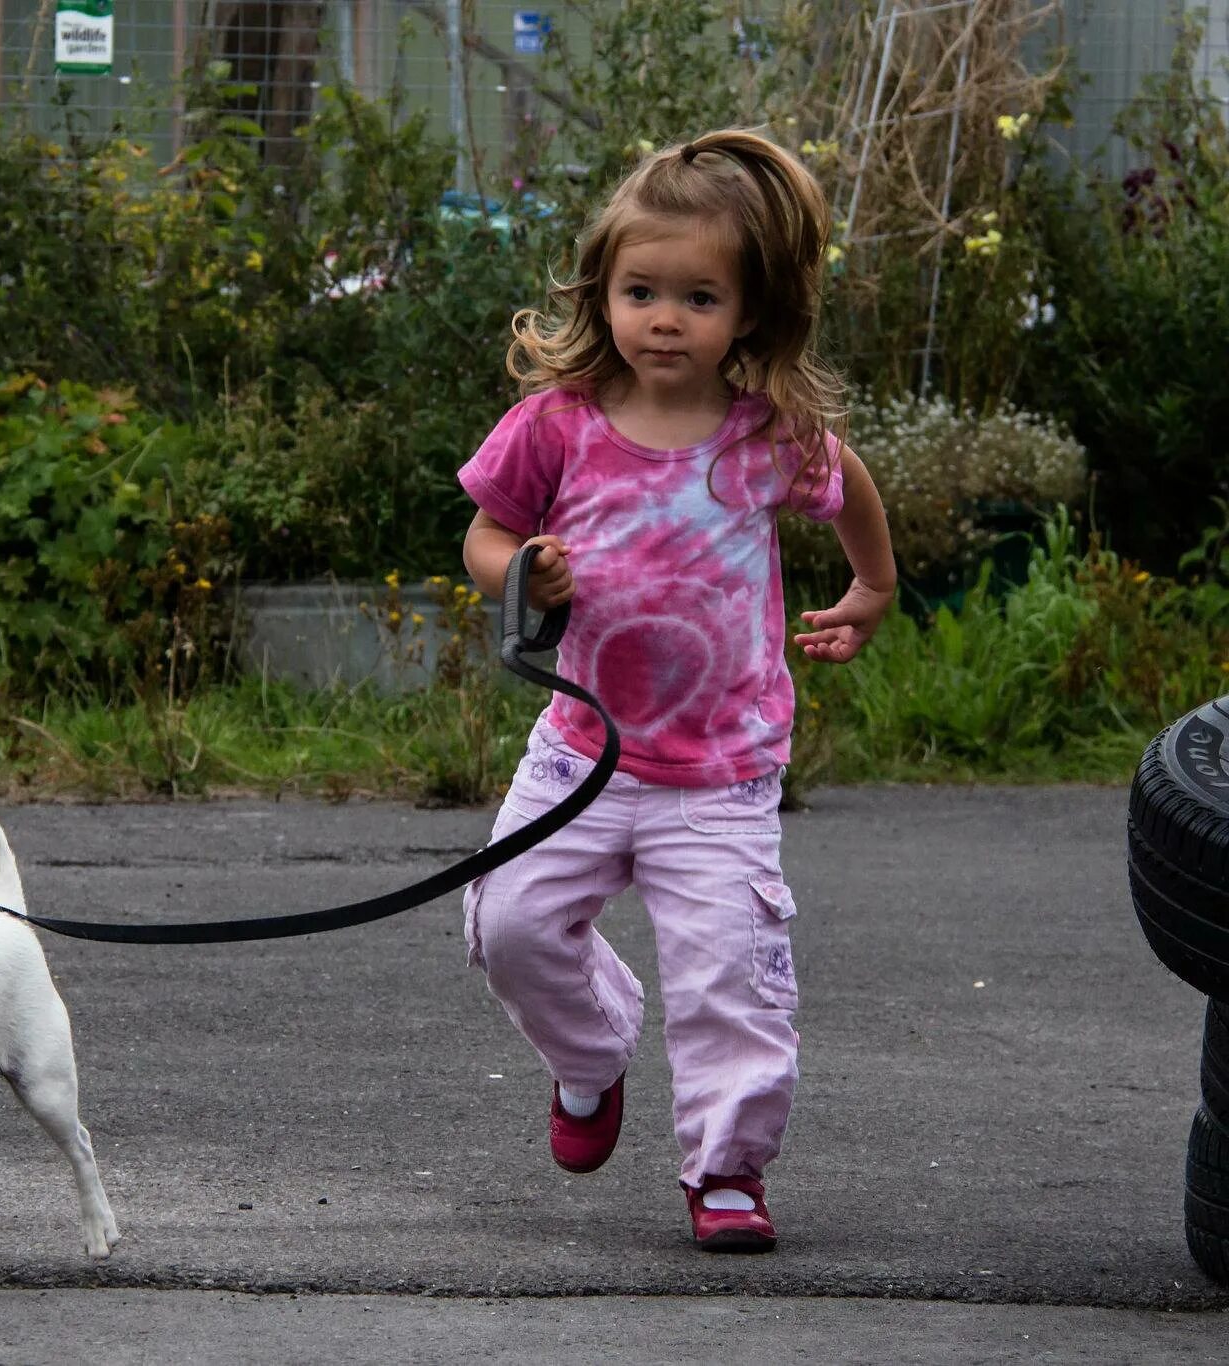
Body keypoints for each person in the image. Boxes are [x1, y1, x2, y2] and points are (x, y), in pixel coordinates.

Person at [455, 129, 896, 1252]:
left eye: (696, 296)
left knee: (728, 978)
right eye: (639, 290)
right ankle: (590, 1055)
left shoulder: (766, 437)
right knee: (506, 924)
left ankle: (725, 1171)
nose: (663, 317)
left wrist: (870, 582)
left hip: (720, 771)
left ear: (746, 314)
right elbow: (484, 536)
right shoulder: (557, 423)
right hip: (579, 756)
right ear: (599, 290)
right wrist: (523, 572)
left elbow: (848, 487)